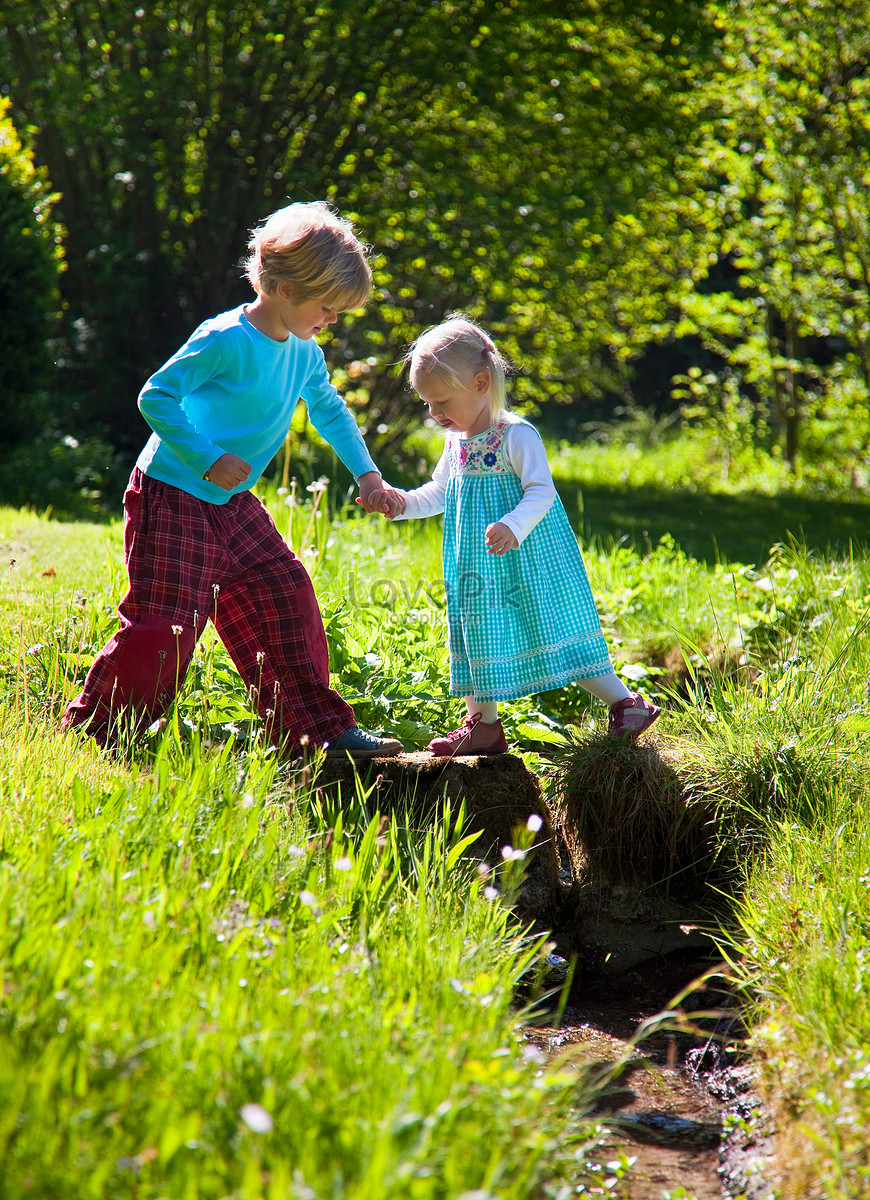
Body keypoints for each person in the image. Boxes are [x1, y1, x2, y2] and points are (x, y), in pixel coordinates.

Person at [62, 201, 405, 759]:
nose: (332, 320)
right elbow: (157, 395)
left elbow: (330, 412)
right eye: (329, 306)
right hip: (174, 494)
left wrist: (367, 474)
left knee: (284, 594)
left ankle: (316, 731)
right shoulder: (224, 339)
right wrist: (206, 456)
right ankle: (99, 733)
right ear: (285, 288)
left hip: (233, 504)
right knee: (168, 628)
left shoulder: (305, 353)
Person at [368, 315, 660, 757]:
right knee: (473, 634)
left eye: (442, 401)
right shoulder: (455, 443)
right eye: (428, 404)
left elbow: (541, 492)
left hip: (525, 560)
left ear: (481, 382)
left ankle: (627, 703)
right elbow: (440, 492)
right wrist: (402, 503)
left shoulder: (515, 436)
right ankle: (483, 725)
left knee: (553, 630)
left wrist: (512, 525)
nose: (435, 414)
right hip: (476, 563)